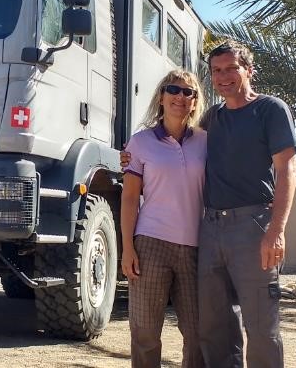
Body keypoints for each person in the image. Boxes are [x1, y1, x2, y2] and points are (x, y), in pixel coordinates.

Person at [122, 40, 296, 367]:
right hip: (210, 231)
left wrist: (277, 229)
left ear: (249, 70)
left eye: (232, 68)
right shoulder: (212, 120)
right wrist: (129, 156)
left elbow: (287, 168)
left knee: (260, 326)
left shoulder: (269, 110)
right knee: (215, 326)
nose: (224, 76)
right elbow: (151, 166)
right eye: (217, 71)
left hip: (252, 227)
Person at [121, 69, 206, 368]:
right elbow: (130, 198)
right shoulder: (140, 143)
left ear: (195, 102)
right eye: (173, 89)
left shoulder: (206, 142)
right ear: (161, 96)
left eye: (188, 92)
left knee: (197, 334)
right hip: (151, 244)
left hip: (196, 247)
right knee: (145, 332)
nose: (180, 97)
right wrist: (128, 248)